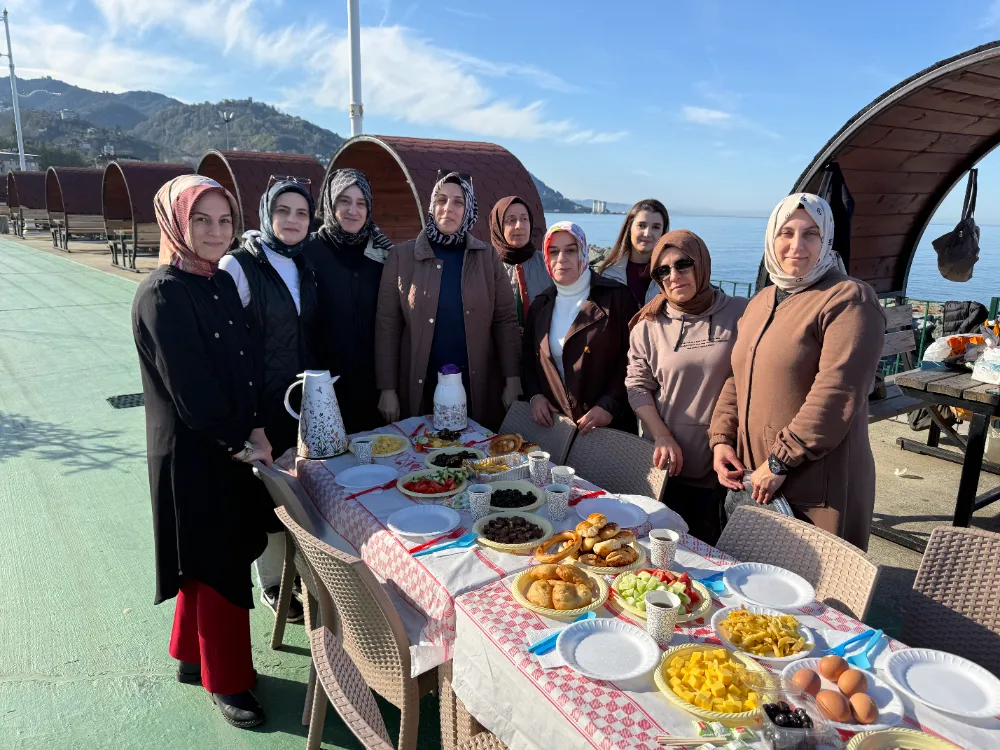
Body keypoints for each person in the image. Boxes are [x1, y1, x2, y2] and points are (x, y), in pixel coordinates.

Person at [132, 175, 273, 728]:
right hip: (194, 454)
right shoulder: (162, 293)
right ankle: (228, 680)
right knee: (218, 565)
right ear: (176, 223)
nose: (216, 232)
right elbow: (193, 393)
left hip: (228, 443)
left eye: (224, 220)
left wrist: (256, 428)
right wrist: (244, 444)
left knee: (210, 557)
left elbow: (244, 364)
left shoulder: (217, 281)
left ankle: (190, 655)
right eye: (201, 220)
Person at [709, 193, 885, 551]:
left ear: (827, 239)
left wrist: (780, 461)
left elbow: (837, 392)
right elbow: (736, 377)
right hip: (756, 475)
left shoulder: (849, 299)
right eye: (786, 233)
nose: (796, 246)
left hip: (815, 480)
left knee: (812, 579)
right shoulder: (761, 301)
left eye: (811, 234)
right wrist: (721, 439)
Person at [219, 178, 315, 625]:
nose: (293, 220)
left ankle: (302, 574)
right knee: (266, 496)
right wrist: (248, 413)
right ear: (266, 214)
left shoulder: (304, 262)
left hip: (301, 401)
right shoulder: (239, 264)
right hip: (260, 405)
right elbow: (227, 344)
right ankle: (274, 581)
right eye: (283, 211)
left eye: (302, 213)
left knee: (299, 492)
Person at [625, 230, 747, 543]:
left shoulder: (741, 313)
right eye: (662, 271)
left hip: (725, 463)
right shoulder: (648, 325)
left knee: (713, 550)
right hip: (667, 463)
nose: (674, 276)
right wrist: (661, 435)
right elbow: (637, 386)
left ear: (701, 263)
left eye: (683, 264)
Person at [375, 172, 521, 430]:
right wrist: (387, 388)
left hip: (476, 387)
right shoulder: (401, 256)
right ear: (432, 206)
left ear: (468, 209)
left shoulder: (487, 258)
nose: (448, 208)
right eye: (441, 200)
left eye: (458, 202)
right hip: (421, 385)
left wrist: (513, 379)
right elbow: (388, 325)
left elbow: (505, 321)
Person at [522, 221, 638, 435]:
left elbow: (635, 360)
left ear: (583, 252)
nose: (561, 259)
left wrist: (609, 405)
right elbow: (529, 360)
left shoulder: (617, 298)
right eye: (553, 251)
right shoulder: (540, 305)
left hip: (610, 427)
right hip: (558, 428)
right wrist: (535, 396)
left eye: (570, 250)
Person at [303, 168, 393, 434]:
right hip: (323, 389)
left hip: (374, 388)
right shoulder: (308, 252)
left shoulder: (383, 255)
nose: (353, 210)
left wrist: (389, 387)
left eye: (361, 203)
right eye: (345, 201)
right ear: (330, 204)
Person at [489, 195, 553, 325]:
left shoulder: (548, 263)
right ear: (498, 226)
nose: (519, 225)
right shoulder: (487, 267)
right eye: (511, 220)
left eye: (524, 219)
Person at [597, 199, 669, 305]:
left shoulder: (671, 274)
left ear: (663, 232)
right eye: (642, 225)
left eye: (656, 227)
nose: (647, 233)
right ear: (629, 228)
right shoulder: (609, 274)